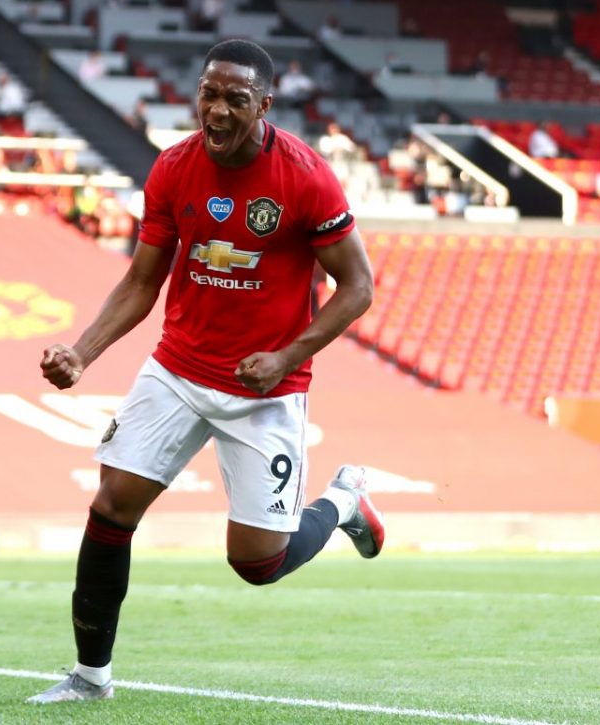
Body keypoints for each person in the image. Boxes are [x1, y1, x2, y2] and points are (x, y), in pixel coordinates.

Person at [29, 38, 383, 705]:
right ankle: (91, 676)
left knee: (257, 563)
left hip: (264, 386)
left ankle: (342, 503)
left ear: (264, 106)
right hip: (179, 369)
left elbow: (358, 286)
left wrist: (286, 357)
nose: (217, 111)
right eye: (208, 94)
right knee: (111, 505)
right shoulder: (173, 167)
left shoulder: (306, 177)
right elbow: (142, 282)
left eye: (235, 100)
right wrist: (82, 352)